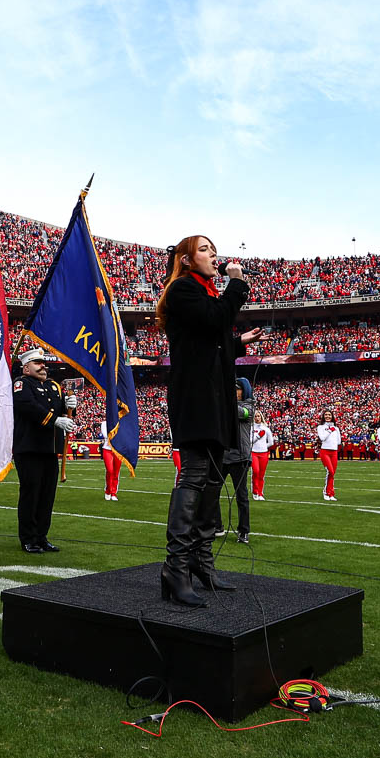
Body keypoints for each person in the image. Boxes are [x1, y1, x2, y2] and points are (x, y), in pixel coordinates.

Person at [157, 235, 258, 607]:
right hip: (197, 398)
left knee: (214, 477)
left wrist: (240, 342)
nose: (214, 255)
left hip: (215, 400)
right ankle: (176, 566)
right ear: (185, 259)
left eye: (214, 250)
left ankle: (201, 561)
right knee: (196, 474)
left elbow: (213, 339)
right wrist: (238, 284)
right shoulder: (183, 290)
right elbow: (214, 321)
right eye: (205, 250)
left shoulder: (207, 293)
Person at [13, 347, 72, 554]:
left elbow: (61, 412)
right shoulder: (21, 384)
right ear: (26, 367)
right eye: (37, 363)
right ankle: (28, 538)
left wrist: (68, 405)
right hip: (29, 447)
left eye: (43, 362)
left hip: (49, 448)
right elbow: (27, 407)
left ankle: (41, 536)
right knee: (31, 494)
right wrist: (56, 419)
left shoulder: (53, 386)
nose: (43, 366)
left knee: (47, 495)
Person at [216, 378, 254, 542]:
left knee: (242, 496)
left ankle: (244, 530)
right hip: (222, 456)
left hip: (240, 457)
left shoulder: (249, 406)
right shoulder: (224, 406)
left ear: (244, 390)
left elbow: (241, 413)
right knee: (212, 493)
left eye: (237, 389)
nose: (234, 392)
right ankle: (217, 526)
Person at [316, 408, 341, 500]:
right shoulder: (320, 427)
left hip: (334, 452)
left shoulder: (336, 428)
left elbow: (339, 441)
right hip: (325, 451)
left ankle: (331, 493)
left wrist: (334, 431)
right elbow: (322, 438)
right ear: (323, 416)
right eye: (326, 415)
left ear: (332, 416)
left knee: (333, 473)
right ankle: (326, 492)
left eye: (329, 415)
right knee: (330, 471)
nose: (327, 416)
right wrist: (330, 430)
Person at [250, 411, 273, 500]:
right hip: (254, 452)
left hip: (264, 453)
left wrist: (263, 447)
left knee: (261, 474)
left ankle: (260, 493)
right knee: (255, 471)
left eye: (258, 416)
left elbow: (271, 442)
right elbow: (250, 441)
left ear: (261, 417)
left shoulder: (266, 428)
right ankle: (255, 492)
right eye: (255, 416)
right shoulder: (251, 428)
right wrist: (258, 436)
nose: (257, 418)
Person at [99, 418, 121, 501]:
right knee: (110, 470)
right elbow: (106, 435)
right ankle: (108, 490)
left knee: (116, 472)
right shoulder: (104, 423)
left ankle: (113, 492)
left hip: (118, 450)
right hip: (107, 449)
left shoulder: (121, 423)